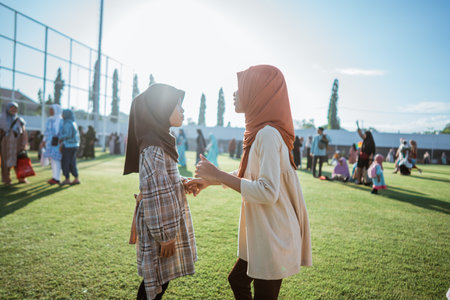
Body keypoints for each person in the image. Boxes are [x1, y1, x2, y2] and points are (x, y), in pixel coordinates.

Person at [188, 65, 312, 300]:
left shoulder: (267, 134)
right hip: (264, 233)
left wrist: (217, 174)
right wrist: (210, 180)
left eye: (241, 87)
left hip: (273, 235)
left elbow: (267, 192)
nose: (235, 93)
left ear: (258, 92)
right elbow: (250, 173)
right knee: (237, 279)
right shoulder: (261, 132)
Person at [123, 83, 197, 300]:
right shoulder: (154, 146)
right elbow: (156, 193)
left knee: (158, 280)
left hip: (162, 225)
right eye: (177, 106)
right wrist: (166, 236)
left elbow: (163, 181)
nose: (182, 111)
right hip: (161, 227)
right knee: (154, 283)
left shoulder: (160, 140)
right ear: (160, 109)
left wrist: (181, 182)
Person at [0, 102, 28, 185]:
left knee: (19, 160)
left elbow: (24, 132)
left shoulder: (20, 120)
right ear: (7, 109)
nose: (13, 110)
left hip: (17, 143)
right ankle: (6, 178)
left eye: (15, 108)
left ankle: (22, 177)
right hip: (5, 144)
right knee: (5, 161)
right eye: (12, 108)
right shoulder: (1, 119)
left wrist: (24, 143)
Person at [41, 104, 63, 185]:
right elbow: (46, 132)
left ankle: (57, 178)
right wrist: (43, 141)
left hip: (57, 143)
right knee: (52, 160)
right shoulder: (49, 120)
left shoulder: (61, 120)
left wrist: (61, 144)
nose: (50, 111)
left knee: (56, 160)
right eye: (50, 109)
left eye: (52, 109)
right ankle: (54, 177)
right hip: (50, 143)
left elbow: (62, 133)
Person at [59, 109, 80, 186]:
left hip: (68, 146)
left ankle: (67, 179)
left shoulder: (67, 123)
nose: (62, 116)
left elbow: (68, 134)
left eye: (63, 114)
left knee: (65, 162)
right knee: (72, 162)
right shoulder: (73, 122)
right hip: (74, 145)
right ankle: (76, 178)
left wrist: (60, 138)